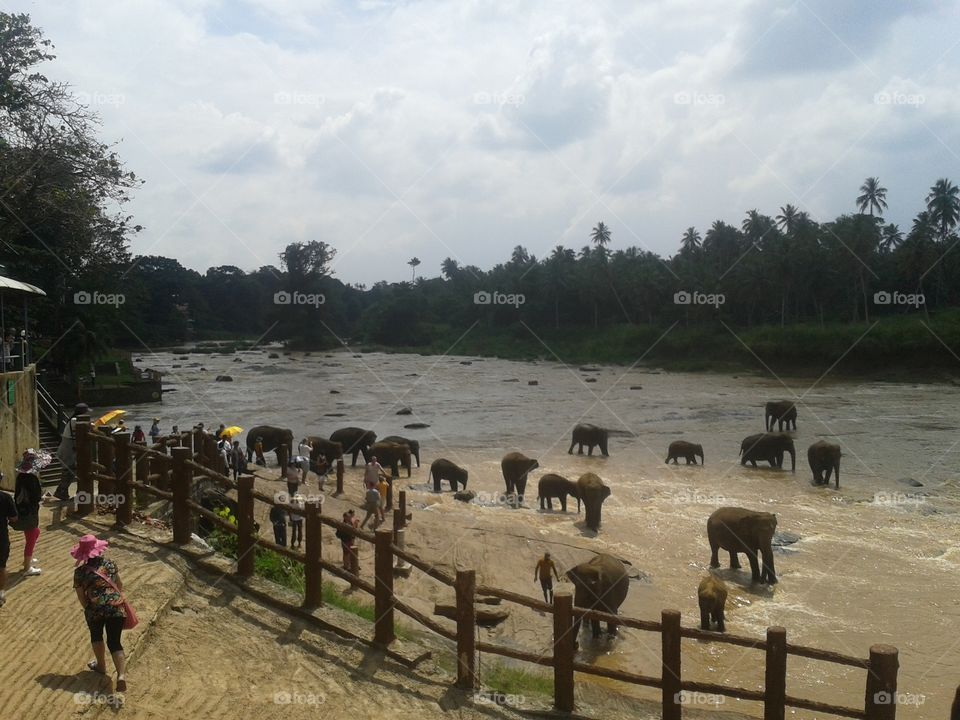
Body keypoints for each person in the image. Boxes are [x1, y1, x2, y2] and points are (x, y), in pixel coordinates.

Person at [72, 534, 128, 692]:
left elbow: (81, 597)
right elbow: (119, 584)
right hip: (115, 606)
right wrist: (113, 600)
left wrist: (89, 609)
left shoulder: (80, 572)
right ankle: (121, 675)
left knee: (96, 636)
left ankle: (101, 666)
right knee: (115, 642)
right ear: (98, 550)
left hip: (95, 608)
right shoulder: (110, 564)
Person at [14, 449, 48, 576]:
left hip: (22, 509)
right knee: (32, 536)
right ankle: (27, 567)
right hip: (30, 511)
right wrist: (43, 497)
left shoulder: (21, 477)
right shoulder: (32, 479)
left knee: (34, 533)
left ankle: (27, 559)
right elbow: (36, 497)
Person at [54, 403, 90, 501]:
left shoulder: (73, 420)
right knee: (69, 472)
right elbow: (87, 427)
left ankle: (62, 491)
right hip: (68, 451)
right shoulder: (75, 421)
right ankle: (61, 492)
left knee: (70, 472)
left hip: (69, 450)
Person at [0, 489, 18, 607]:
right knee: (1, 567)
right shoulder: (5, 497)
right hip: (1, 538)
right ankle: (0, 593)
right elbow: (14, 518)